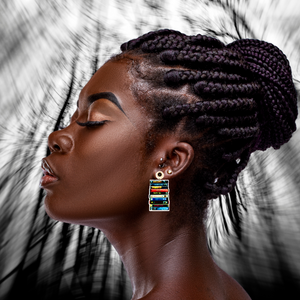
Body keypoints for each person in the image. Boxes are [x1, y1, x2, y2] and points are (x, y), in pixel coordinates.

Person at [40, 29, 298, 300]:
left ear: (171, 161)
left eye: (93, 120)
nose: (57, 137)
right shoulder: (227, 291)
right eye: (72, 118)